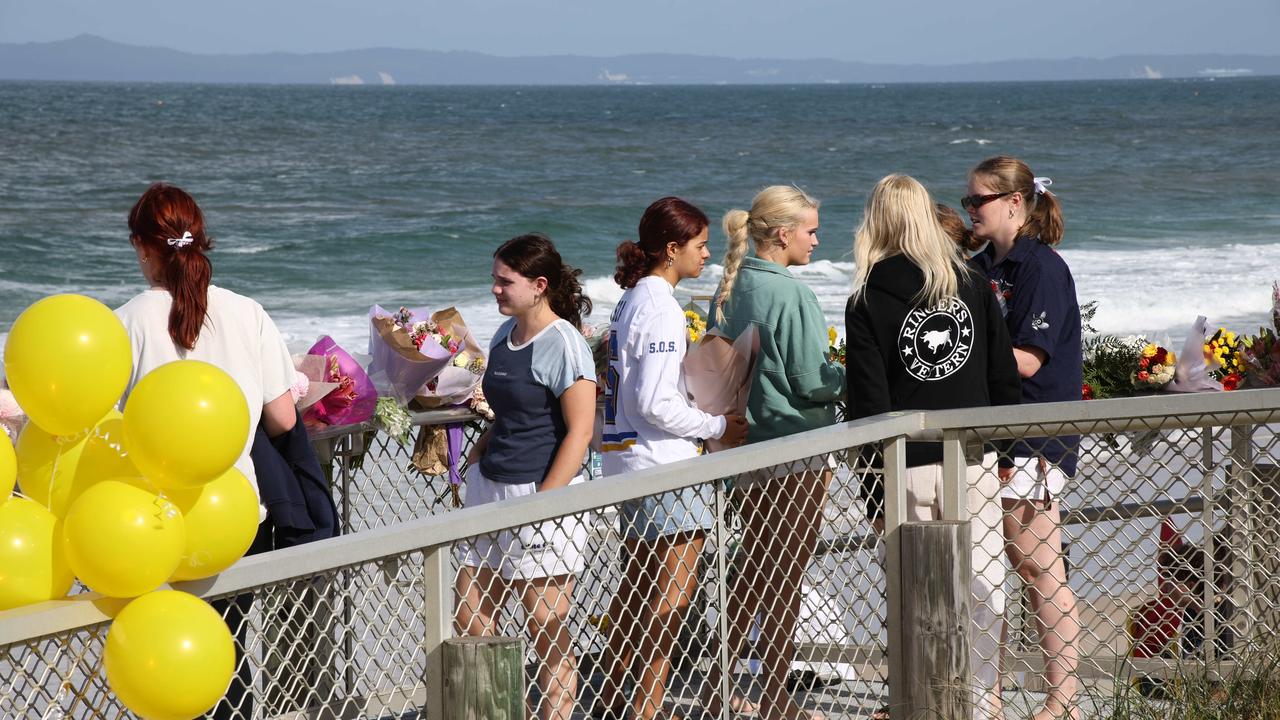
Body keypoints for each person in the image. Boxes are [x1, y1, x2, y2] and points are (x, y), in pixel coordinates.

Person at [115, 182, 328, 719]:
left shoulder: (128, 320)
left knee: (161, 656)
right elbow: (281, 418)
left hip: (151, 523)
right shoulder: (246, 312)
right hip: (237, 514)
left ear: (143, 247)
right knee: (223, 646)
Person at [845, 174, 1021, 717]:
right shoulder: (970, 281)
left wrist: (873, 493)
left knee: (914, 590)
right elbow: (1001, 373)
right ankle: (980, 699)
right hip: (972, 457)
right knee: (985, 584)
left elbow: (868, 407)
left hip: (905, 465)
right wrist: (1007, 451)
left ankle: (922, 701)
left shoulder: (867, 297)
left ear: (876, 221)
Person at [596, 197, 749, 720]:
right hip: (664, 465)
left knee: (637, 590)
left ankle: (615, 697)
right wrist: (716, 427)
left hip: (626, 460)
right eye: (701, 245)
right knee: (671, 598)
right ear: (671, 248)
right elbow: (655, 403)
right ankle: (647, 708)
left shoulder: (631, 299)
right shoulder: (659, 305)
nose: (707, 255)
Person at [705, 185, 845, 720]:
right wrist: (856, 378)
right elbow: (811, 380)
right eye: (810, 230)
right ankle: (775, 696)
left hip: (744, 446)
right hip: (795, 447)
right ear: (782, 234)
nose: (816, 238)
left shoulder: (736, 284)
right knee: (783, 574)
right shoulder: (790, 293)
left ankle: (722, 681)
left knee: (754, 567)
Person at [455, 233, 596, 720]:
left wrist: (546, 502)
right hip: (491, 487)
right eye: (494, 279)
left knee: (545, 623)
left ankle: (555, 714)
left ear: (539, 286)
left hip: (541, 493)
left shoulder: (564, 344)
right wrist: (477, 455)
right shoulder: (502, 334)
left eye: (504, 281)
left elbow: (579, 433)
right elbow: (507, 414)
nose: (494, 289)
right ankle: (499, 711)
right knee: (472, 617)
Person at [966, 155, 1083, 720]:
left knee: (1038, 565)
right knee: (998, 565)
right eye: (966, 202)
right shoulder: (984, 263)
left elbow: (1029, 361)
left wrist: (959, 361)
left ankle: (1062, 700)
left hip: (1035, 435)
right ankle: (988, 695)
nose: (970, 212)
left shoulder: (1041, 268)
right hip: (996, 434)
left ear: (1014, 203)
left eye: (978, 201)